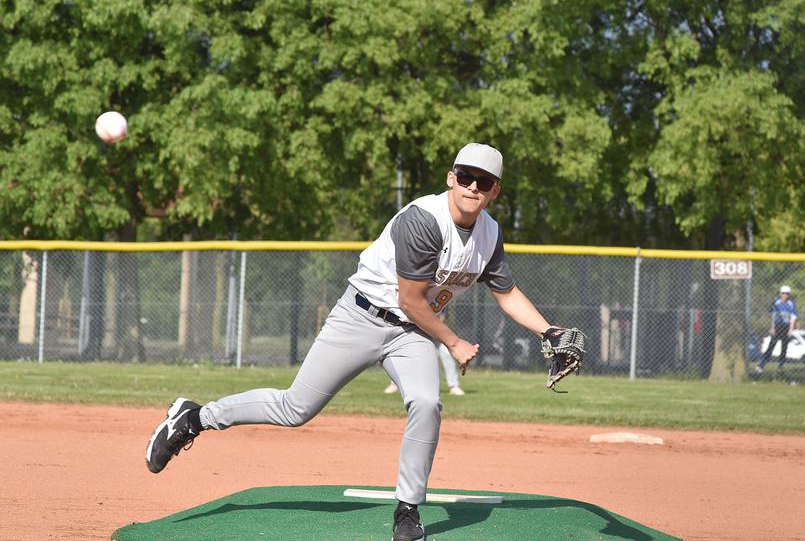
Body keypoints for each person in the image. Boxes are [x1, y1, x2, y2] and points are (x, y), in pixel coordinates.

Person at [144, 143, 558, 541]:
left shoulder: (490, 235)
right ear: (451, 178)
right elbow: (410, 300)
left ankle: (408, 511)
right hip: (361, 316)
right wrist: (453, 342)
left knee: (427, 402)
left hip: (411, 333)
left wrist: (549, 331)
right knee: (295, 408)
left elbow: (506, 292)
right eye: (466, 176)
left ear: (495, 191)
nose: (473, 187)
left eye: (484, 182)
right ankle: (193, 418)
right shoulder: (424, 219)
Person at [384, 311, 465, 396]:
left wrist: (433, 329)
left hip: (436, 334)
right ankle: (394, 384)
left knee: (447, 354)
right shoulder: (415, 299)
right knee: (403, 355)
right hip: (416, 332)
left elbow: (444, 316)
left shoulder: (438, 298)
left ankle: (454, 386)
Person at [756, 285, 798, 373]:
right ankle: (761, 364)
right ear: (780, 294)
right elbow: (773, 316)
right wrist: (772, 328)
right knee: (771, 345)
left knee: (784, 347)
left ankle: (781, 366)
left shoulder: (791, 304)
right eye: (783, 293)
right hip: (778, 326)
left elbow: (793, 317)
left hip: (786, 327)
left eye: (787, 294)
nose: (785, 295)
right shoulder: (776, 303)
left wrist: (791, 329)